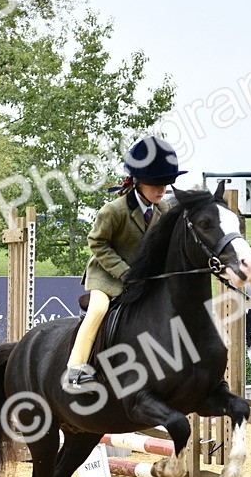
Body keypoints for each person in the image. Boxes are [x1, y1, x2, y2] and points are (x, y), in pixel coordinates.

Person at [64, 136, 186, 388]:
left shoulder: (162, 210)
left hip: (142, 278)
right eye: (156, 184)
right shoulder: (114, 210)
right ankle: (75, 369)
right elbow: (97, 243)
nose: (162, 190)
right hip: (107, 276)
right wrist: (124, 272)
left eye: (166, 184)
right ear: (139, 182)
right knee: (98, 309)